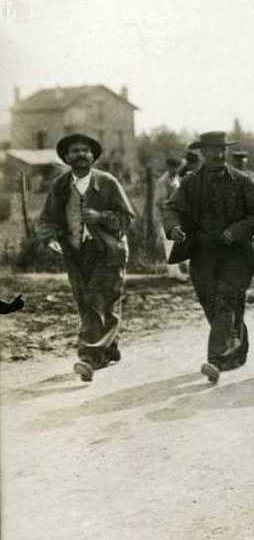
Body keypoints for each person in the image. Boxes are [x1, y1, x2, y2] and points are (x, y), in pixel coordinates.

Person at [163, 131, 254, 383]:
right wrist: (174, 228)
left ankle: (216, 359)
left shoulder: (242, 180)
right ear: (203, 153)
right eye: (213, 150)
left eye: (222, 150)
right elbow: (172, 208)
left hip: (236, 253)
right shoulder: (190, 182)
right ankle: (235, 349)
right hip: (202, 253)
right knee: (212, 303)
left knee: (226, 301)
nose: (219, 155)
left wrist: (235, 231)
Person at [37, 134, 136, 382]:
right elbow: (47, 219)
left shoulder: (107, 182)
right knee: (86, 302)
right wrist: (50, 238)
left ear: (93, 156)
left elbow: (127, 218)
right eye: (74, 151)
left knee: (99, 299)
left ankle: (89, 357)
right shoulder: (60, 185)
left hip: (108, 250)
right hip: (75, 253)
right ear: (66, 157)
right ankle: (109, 349)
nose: (80, 154)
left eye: (85, 150)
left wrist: (101, 217)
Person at [153, 157, 184, 278]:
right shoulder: (162, 182)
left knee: (179, 242)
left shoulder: (176, 179)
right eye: (173, 167)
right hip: (164, 217)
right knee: (170, 244)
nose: (175, 170)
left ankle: (180, 269)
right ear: (168, 167)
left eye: (177, 168)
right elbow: (159, 202)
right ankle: (174, 273)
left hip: (175, 217)